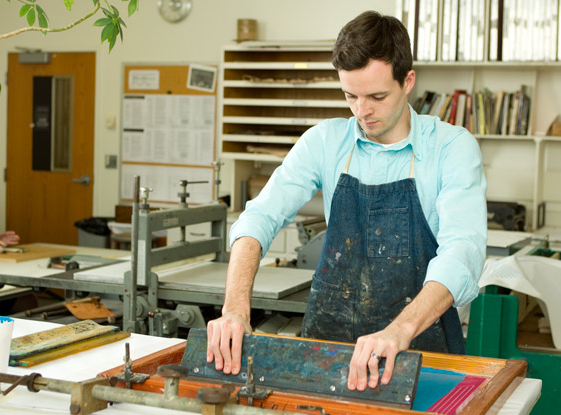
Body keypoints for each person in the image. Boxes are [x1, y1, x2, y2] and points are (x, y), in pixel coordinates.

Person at [206, 11, 487, 393]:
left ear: (408, 81)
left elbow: (462, 252)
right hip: (328, 353)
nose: (362, 111)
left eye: (376, 96)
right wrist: (235, 309)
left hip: (420, 354)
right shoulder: (325, 142)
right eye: (350, 96)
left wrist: (398, 331)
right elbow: (259, 217)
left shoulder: (451, 148)